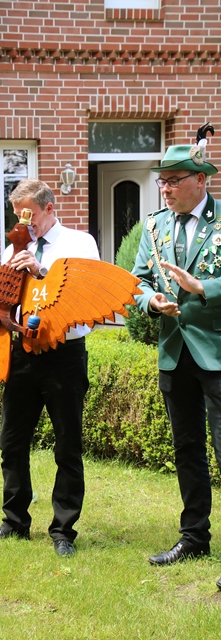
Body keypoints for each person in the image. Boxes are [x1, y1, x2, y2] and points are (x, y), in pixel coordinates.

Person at [0, 178, 100, 556]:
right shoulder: (15, 246)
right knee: (11, 443)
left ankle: (63, 531)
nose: (23, 223)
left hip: (64, 355)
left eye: (29, 214)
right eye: (17, 215)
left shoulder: (80, 243)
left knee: (67, 446)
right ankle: (14, 522)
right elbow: (5, 304)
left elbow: (85, 294)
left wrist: (41, 269)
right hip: (22, 354)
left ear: (49, 208)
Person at [132, 135, 221, 584]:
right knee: (187, 449)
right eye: (161, 181)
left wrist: (202, 288)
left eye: (173, 180)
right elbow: (137, 280)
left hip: (217, 353)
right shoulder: (154, 226)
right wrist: (152, 302)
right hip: (174, 352)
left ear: (200, 180)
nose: (165, 188)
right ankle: (194, 537)